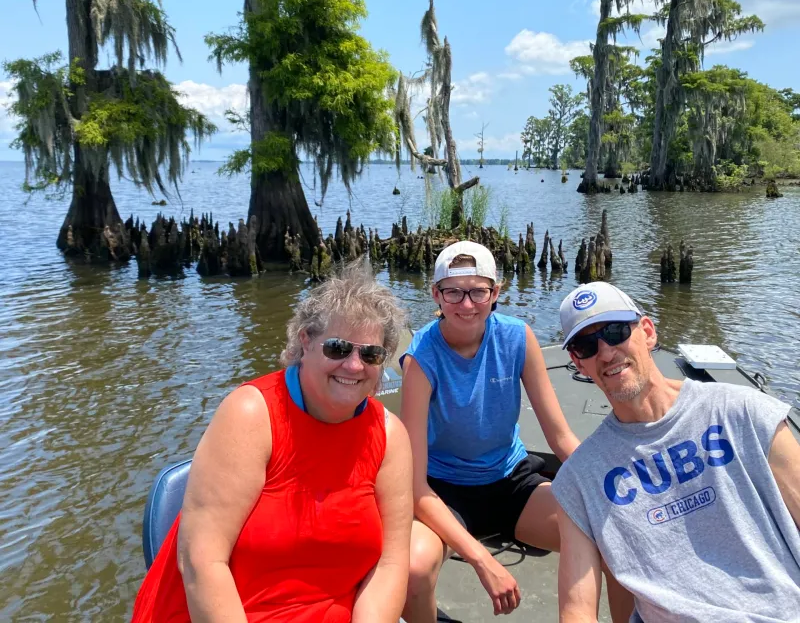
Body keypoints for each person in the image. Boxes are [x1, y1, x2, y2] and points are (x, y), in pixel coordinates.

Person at [130, 264, 413, 623]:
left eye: (370, 354)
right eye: (338, 348)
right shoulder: (250, 415)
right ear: (306, 340)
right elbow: (202, 561)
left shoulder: (390, 436)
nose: (354, 366)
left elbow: (390, 564)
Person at [553, 281, 800, 623]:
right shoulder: (579, 480)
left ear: (648, 332)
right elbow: (577, 610)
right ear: (578, 364)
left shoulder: (748, 413)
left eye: (615, 331)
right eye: (586, 345)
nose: (606, 352)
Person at [400, 241, 582, 621]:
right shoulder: (421, 358)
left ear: (495, 293)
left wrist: (613, 486)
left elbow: (561, 437)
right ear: (436, 294)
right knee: (413, 571)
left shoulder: (517, 337)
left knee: (603, 533)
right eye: (453, 292)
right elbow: (416, 488)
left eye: (478, 291)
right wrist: (483, 560)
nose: (466, 304)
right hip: (445, 492)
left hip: (511, 480)